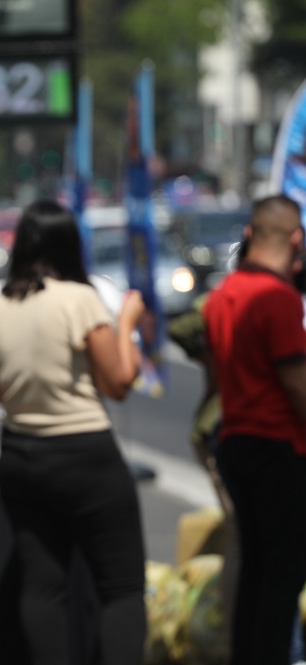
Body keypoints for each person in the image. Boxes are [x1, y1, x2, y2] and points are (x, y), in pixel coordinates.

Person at [0, 200, 147, 665]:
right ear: (72, 245)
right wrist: (126, 325)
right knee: (123, 586)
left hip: (23, 452)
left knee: (42, 585)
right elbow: (119, 383)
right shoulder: (80, 299)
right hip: (86, 451)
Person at [202, 194, 306, 665]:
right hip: (278, 446)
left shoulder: (221, 296)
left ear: (249, 234)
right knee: (283, 575)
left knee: (256, 569)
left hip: (236, 441)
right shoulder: (277, 298)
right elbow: (296, 383)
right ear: (295, 237)